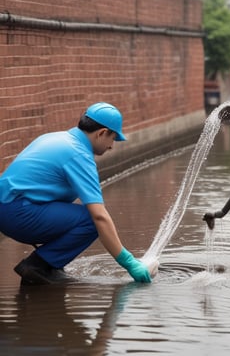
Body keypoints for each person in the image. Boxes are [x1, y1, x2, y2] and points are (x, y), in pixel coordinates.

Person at [0, 102, 156, 285]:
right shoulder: (79, 155)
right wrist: (129, 263)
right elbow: (99, 217)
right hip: (18, 214)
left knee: (78, 215)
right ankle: (38, 266)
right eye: (112, 139)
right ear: (101, 133)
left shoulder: (56, 138)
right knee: (91, 221)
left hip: (11, 210)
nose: (111, 146)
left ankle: (49, 264)